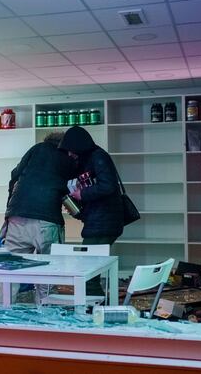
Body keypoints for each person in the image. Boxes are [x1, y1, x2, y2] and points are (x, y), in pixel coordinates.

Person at [0, 132, 75, 303]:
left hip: (17, 216)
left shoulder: (36, 149)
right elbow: (73, 185)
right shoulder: (68, 156)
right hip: (46, 219)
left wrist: (9, 209)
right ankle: (47, 314)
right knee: (48, 270)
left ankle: (0, 311)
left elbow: (14, 174)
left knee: (9, 270)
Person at [58, 126, 124, 297]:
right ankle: (96, 305)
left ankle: (94, 307)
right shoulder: (89, 159)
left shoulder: (98, 157)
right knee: (89, 269)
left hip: (105, 222)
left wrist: (82, 194)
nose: (70, 154)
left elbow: (108, 186)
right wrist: (79, 210)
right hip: (100, 221)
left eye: (71, 150)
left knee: (88, 270)